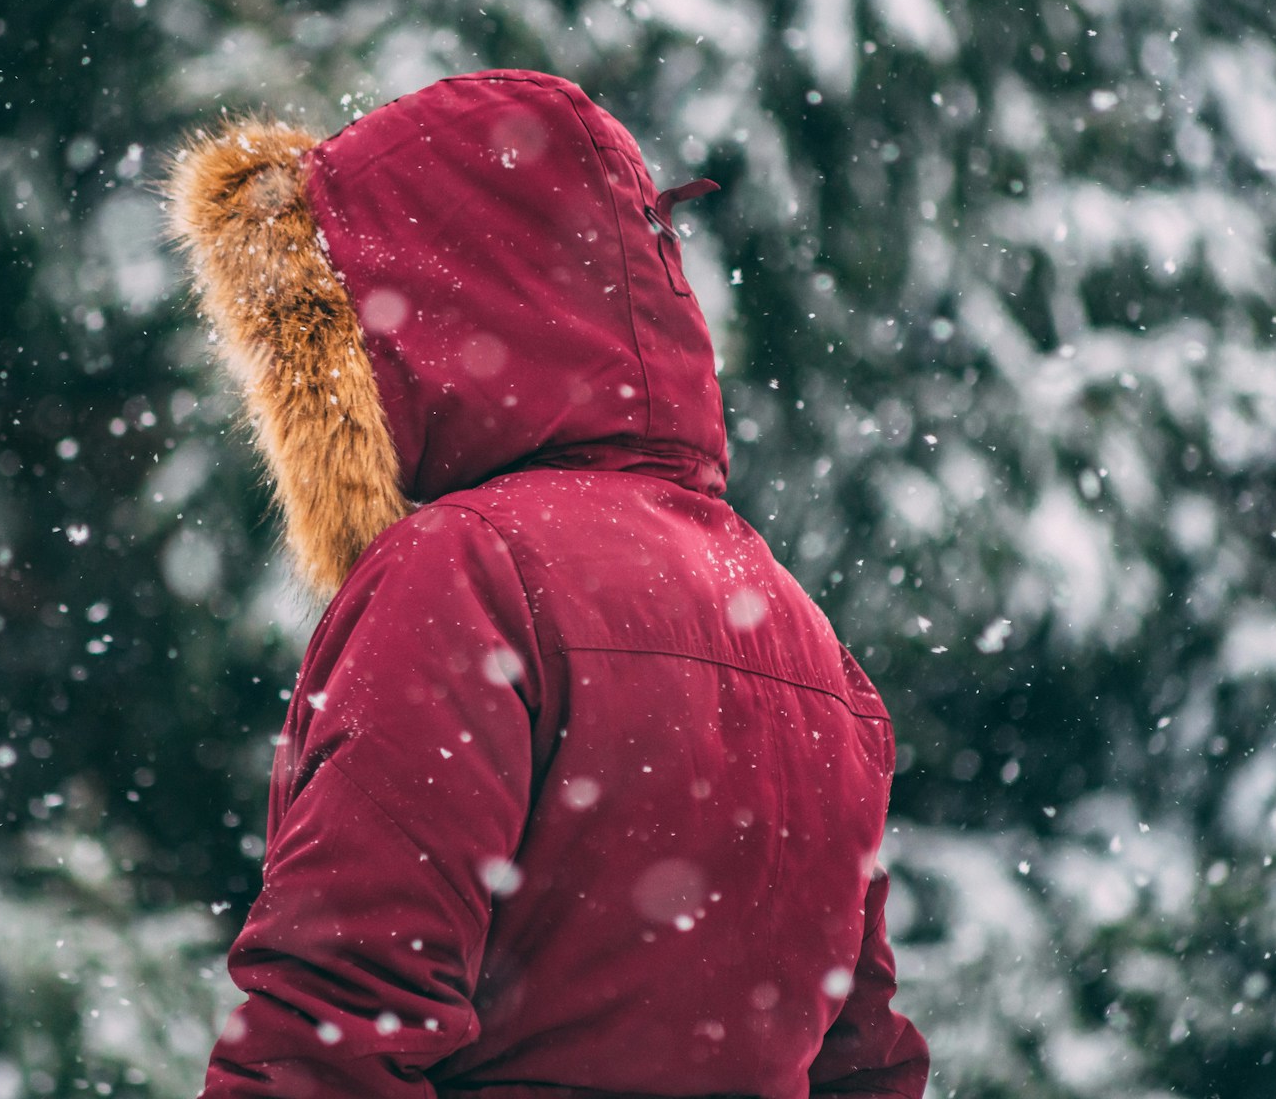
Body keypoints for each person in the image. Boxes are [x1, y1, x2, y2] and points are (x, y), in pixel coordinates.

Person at [167, 69, 928, 1099]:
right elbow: (864, 1061)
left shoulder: (464, 571)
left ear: (398, 336)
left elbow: (335, 1021)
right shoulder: (798, 627)